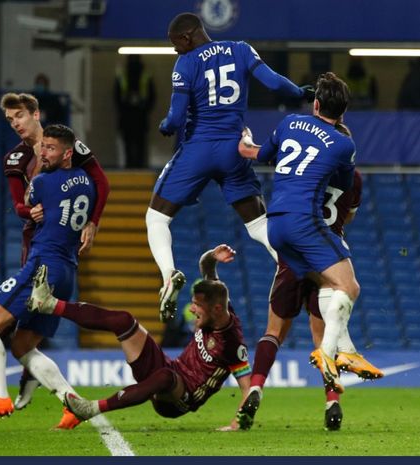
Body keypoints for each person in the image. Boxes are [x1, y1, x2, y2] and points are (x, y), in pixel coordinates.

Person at [150, 12, 314, 322]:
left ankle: (169, 276)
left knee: (156, 218)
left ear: (186, 38)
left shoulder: (186, 62)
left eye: (175, 44)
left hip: (198, 151)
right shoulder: (241, 48)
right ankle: (295, 269)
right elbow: (274, 82)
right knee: (258, 223)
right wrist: (300, 93)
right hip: (233, 149)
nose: (175, 50)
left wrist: (165, 125)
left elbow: (175, 115)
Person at [0, 124, 95, 429]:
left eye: (50, 148)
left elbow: (28, 202)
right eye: (42, 146)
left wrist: (35, 200)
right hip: (67, 271)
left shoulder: (44, 181)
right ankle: (72, 403)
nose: (43, 153)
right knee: (21, 346)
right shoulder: (88, 181)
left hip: (42, 265)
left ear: (67, 153)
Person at [27, 244, 251, 430]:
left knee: (164, 376)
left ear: (217, 310)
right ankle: (49, 304)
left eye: (197, 306)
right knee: (124, 321)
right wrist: (213, 256)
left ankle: (90, 408)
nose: (191, 310)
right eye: (192, 303)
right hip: (171, 367)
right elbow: (207, 266)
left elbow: (247, 389)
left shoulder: (231, 343)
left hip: (181, 399)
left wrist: (237, 424)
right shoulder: (218, 304)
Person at [234, 166, 383, 432]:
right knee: (322, 338)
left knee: (274, 332)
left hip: (295, 253)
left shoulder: (308, 167)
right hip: (328, 258)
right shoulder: (355, 176)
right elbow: (347, 217)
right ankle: (332, 401)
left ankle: (255, 387)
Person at [238, 72, 358, 395]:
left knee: (274, 331)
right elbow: (348, 189)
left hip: (277, 226)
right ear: (343, 112)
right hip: (310, 229)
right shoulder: (344, 146)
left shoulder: (290, 123)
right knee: (345, 287)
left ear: (315, 103)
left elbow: (260, 156)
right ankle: (333, 364)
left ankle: (254, 390)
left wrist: (246, 146)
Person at [0, 92, 110, 421]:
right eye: (9, 120)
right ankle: (26, 375)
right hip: (34, 243)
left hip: (59, 248)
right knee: (21, 320)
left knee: (15, 319)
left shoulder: (66, 145)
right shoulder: (15, 160)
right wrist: (29, 211)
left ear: (35, 114)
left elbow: (102, 182)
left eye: (18, 116)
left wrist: (94, 221)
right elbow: (18, 206)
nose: (15, 123)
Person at [114, 54, 156, 168]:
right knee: (139, 142)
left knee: (131, 142)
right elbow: (152, 97)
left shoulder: (124, 75)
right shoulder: (145, 75)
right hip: (139, 115)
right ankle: (138, 165)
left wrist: (125, 106)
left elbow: (116, 97)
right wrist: (144, 107)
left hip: (129, 115)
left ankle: (131, 165)